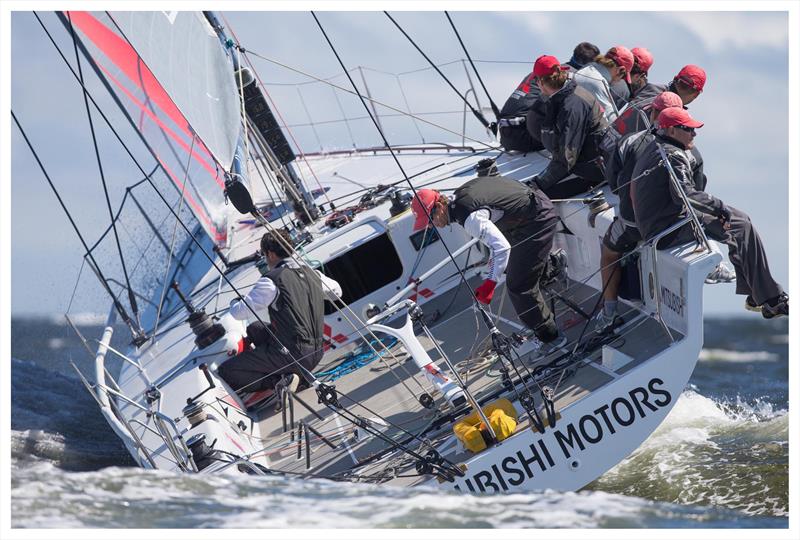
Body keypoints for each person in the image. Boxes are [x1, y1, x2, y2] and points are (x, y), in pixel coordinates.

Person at [631, 107, 788, 318]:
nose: (694, 134)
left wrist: (717, 211)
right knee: (740, 225)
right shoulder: (673, 155)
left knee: (741, 221)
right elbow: (684, 194)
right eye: (688, 129)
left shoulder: (656, 146)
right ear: (671, 131)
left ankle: (758, 294)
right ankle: (769, 299)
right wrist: (720, 208)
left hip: (661, 224)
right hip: (667, 231)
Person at [410, 161, 567, 350]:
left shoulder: (469, 217)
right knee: (512, 267)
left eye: (430, 221)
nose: (431, 226)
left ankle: (551, 338)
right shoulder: (461, 194)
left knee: (519, 287)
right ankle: (553, 264)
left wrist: (490, 284)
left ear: (439, 207)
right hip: (528, 211)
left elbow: (501, 249)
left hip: (536, 219)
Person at [595, 92, 684, 331]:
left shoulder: (630, 141)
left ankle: (609, 312)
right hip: (669, 228)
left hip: (632, 225)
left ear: (652, 113)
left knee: (609, 253)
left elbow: (614, 183)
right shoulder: (688, 148)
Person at [219, 230, 343, 398]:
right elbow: (337, 293)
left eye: (264, 255)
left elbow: (239, 313)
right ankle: (289, 373)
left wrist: (235, 302)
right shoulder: (312, 273)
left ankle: (281, 381)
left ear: (270, 254)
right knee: (256, 328)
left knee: (228, 370)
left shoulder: (271, 281)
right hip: (317, 350)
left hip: (294, 354)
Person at [526, 54, 609, 199]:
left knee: (536, 196)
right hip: (582, 162)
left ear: (540, 82)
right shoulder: (564, 96)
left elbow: (566, 158)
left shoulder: (571, 106)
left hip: (591, 170)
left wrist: (537, 184)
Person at [613, 64, 706, 137]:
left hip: (609, 138)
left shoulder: (650, 88)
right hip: (619, 154)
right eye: (682, 84)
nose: (682, 89)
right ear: (696, 94)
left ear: (674, 78)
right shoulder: (671, 109)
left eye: (686, 87)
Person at [574, 46, 635, 122]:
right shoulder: (598, 83)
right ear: (620, 70)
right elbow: (611, 121)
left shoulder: (588, 69)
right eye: (624, 76)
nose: (621, 81)